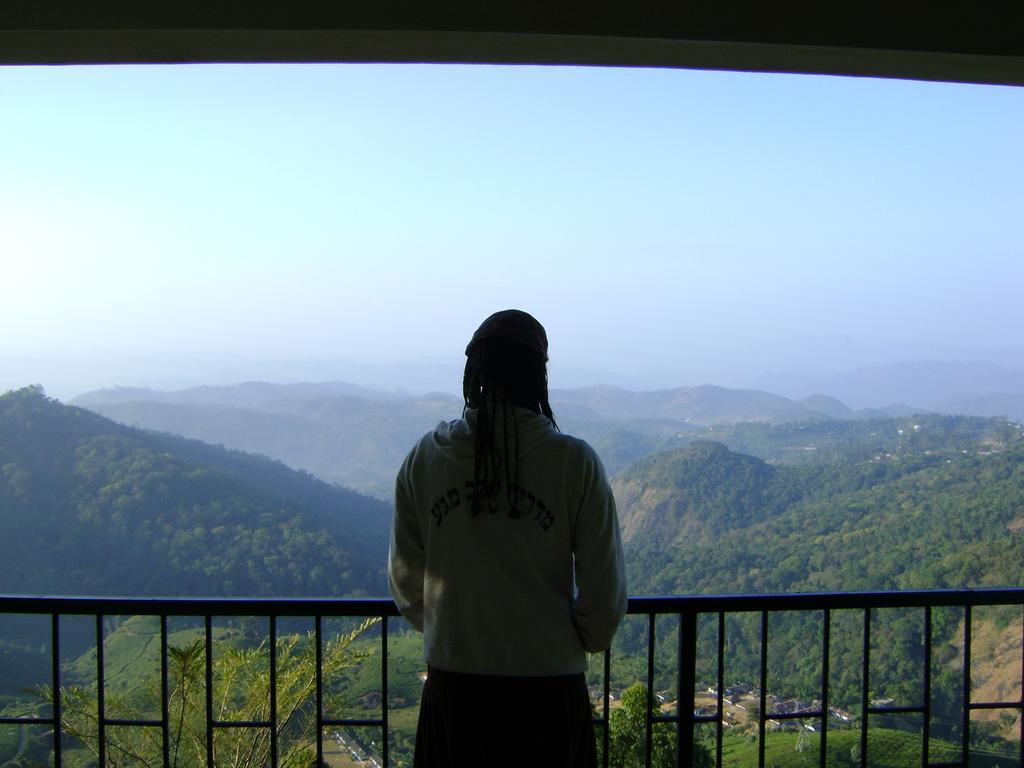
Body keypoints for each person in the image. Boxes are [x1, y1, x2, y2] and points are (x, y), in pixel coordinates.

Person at [388, 309, 627, 768]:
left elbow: (406, 582)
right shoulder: (574, 463)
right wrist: (568, 640)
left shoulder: (426, 459)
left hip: (455, 693)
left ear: (472, 374)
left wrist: (454, 628)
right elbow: (604, 599)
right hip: (549, 698)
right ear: (539, 376)